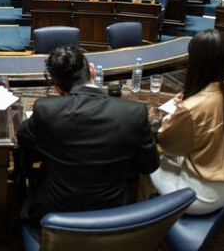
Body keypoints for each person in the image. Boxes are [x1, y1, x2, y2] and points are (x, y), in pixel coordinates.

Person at [17, 46, 159, 227]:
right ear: (92, 70)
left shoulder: (46, 110)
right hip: (115, 215)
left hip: (56, 214)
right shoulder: (134, 113)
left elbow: (23, 136)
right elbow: (149, 165)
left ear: (57, 89)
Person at [150, 29, 224, 214]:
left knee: (148, 162)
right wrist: (189, 101)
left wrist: (179, 110)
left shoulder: (192, 107)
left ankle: (152, 222)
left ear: (195, 62)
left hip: (200, 197)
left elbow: (168, 144)